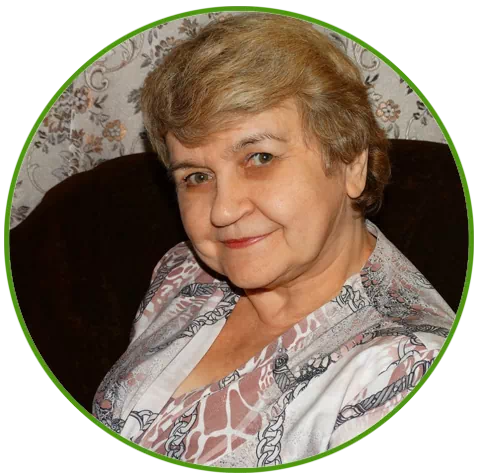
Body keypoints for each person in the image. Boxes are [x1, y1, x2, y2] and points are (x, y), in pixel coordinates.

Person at [92, 12, 478, 473]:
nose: (223, 211)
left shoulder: (412, 381)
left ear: (351, 164)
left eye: (260, 157)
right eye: (196, 176)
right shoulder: (186, 274)